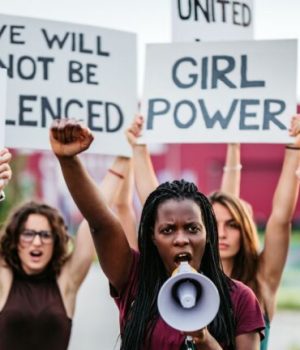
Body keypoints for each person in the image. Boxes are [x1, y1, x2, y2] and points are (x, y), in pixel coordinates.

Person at [50, 118, 265, 350]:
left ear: (208, 234)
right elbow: (101, 223)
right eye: (168, 230)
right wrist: (68, 161)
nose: (181, 239)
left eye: (192, 228)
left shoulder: (240, 299)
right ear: (152, 236)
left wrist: (204, 340)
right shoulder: (133, 278)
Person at [126, 114, 300, 350]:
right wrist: (139, 149)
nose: (223, 232)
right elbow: (156, 206)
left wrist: (294, 149)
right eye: (214, 225)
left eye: (233, 225)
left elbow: (280, 218)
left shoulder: (260, 280)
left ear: (245, 230)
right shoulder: (189, 277)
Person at [0, 152, 131, 350]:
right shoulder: (4, 277)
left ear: (56, 242)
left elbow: (95, 218)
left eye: (45, 235)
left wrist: (124, 155)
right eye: (28, 234)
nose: (37, 242)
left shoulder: (66, 281)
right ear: (15, 241)